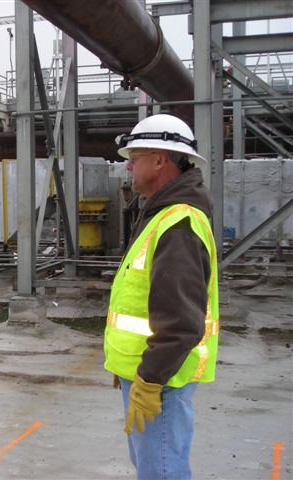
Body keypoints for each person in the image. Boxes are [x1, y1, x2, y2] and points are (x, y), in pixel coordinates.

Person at [104, 113, 219, 480]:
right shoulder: (161, 214)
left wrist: (150, 379)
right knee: (155, 468)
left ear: (160, 160)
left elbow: (182, 321)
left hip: (161, 381)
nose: (128, 169)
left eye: (134, 159)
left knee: (162, 473)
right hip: (148, 374)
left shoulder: (178, 223)